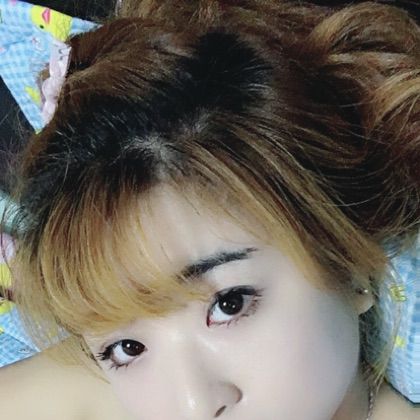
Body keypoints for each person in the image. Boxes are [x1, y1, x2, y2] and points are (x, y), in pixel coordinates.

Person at [2, 1, 419, 419]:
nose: (194, 405)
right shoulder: (86, 394)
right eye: (127, 349)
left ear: (348, 264)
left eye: (229, 304)